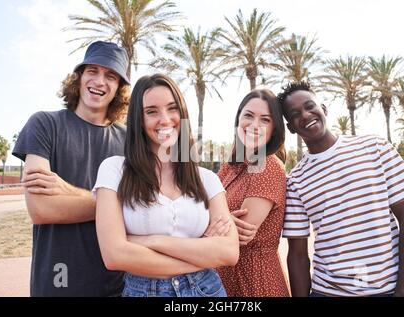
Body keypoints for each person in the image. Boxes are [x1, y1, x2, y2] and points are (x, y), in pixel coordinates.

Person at [93, 74, 239, 297]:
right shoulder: (114, 170)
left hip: (206, 290)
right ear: (138, 120)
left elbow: (229, 252)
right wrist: (201, 253)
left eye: (172, 109)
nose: (165, 119)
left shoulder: (207, 179)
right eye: (152, 111)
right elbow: (114, 256)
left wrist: (151, 241)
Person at [279, 81, 404, 297]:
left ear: (323, 109)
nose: (306, 115)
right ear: (291, 127)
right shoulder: (295, 179)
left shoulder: (376, 147)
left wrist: (403, 288)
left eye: (310, 106)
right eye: (295, 113)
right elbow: (298, 254)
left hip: (388, 290)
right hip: (327, 292)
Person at [12, 41, 131, 296]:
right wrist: (116, 205)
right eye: (92, 71)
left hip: (117, 285)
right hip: (58, 282)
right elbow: (42, 209)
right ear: (78, 77)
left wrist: (67, 191)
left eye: (111, 75)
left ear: (119, 89)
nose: (100, 81)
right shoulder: (44, 124)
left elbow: (142, 205)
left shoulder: (130, 140)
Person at [215, 89, 291, 297]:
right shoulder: (229, 167)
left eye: (265, 119)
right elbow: (214, 222)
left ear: (275, 129)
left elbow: (238, 234)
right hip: (223, 279)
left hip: (256, 283)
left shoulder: (268, 166)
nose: (254, 125)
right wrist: (216, 221)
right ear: (238, 118)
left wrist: (209, 221)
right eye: (248, 115)